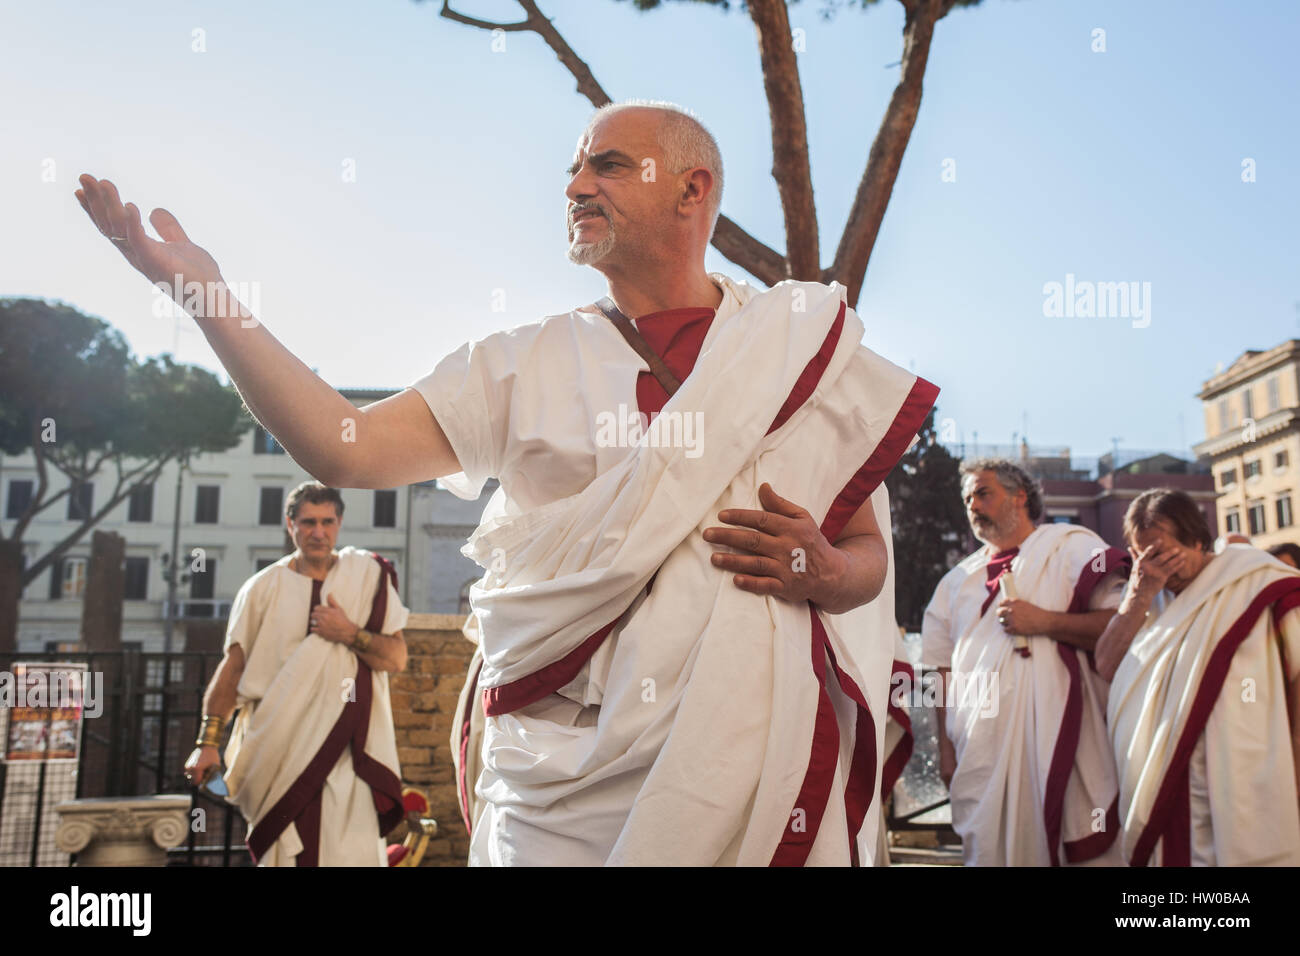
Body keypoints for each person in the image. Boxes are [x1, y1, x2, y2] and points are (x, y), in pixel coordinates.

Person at [77, 100, 937, 866]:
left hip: (748, 757)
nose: (575, 185)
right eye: (571, 167)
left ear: (691, 189)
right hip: (557, 781)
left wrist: (825, 571)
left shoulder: (793, 352)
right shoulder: (520, 363)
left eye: (605, 163)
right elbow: (347, 449)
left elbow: (862, 552)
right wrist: (207, 298)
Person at [181, 482, 410, 866]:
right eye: (307, 522)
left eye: (326, 522)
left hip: (348, 749)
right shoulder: (261, 588)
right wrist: (207, 742)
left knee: (348, 853)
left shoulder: (365, 578)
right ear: (290, 524)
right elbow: (232, 669)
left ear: (339, 524)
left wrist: (349, 633)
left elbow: (396, 658)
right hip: (278, 746)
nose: (317, 532)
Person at [920, 459, 1130, 865]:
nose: (973, 506)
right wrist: (945, 750)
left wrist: (1045, 622)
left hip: (1064, 743)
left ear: (1020, 496)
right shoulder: (956, 582)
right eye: (967, 498)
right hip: (980, 755)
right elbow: (939, 670)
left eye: (983, 493)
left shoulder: (1072, 547)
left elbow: (1123, 625)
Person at [1098, 489, 1300, 866]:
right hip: (1164, 787)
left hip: (1243, 779)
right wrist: (1138, 595)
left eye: (1163, 553)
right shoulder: (1146, 595)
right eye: (1144, 557)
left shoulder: (1259, 583)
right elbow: (1106, 665)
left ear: (1196, 539)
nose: (1157, 567)